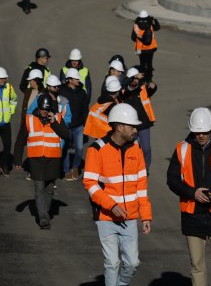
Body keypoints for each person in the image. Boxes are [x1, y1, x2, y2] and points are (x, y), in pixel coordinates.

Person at [166, 108, 211, 286]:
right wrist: (193, 193)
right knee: (197, 264)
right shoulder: (181, 149)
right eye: (197, 132)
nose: (201, 136)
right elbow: (172, 180)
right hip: (192, 214)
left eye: (204, 132)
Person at [82, 103, 152, 286]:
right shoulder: (96, 149)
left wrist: (146, 214)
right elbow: (89, 183)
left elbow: (142, 185)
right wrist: (111, 205)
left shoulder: (136, 149)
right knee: (112, 263)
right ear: (119, 127)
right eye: (132, 126)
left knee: (132, 262)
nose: (136, 130)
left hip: (129, 217)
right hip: (105, 217)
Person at [27, 93, 73, 229]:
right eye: (42, 109)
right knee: (39, 188)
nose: (44, 112)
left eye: (46, 110)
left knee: (49, 189)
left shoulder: (57, 118)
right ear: (39, 107)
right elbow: (21, 137)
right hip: (36, 159)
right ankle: (43, 217)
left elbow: (66, 135)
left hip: (52, 159)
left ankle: (44, 211)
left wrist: (54, 123)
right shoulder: (30, 119)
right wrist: (18, 158)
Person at [122, 66, 157, 170]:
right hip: (130, 126)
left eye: (137, 79)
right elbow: (123, 85)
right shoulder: (124, 92)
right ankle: (133, 168)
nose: (135, 81)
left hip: (144, 125)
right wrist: (133, 76)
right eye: (133, 78)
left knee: (146, 149)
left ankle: (145, 170)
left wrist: (153, 85)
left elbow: (153, 88)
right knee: (132, 149)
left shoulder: (143, 89)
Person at [14, 68, 46, 175]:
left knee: (34, 147)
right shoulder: (28, 91)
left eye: (31, 80)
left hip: (36, 124)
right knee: (19, 141)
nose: (29, 82)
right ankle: (18, 162)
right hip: (26, 122)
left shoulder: (44, 93)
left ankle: (33, 170)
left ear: (36, 80)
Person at [61, 68, 90, 180]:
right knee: (66, 149)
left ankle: (75, 167)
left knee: (79, 148)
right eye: (76, 78)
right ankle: (66, 170)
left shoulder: (82, 92)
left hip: (78, 126)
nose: (78, 80)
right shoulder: (61, 91)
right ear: (69, 80)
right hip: (66, 125)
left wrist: (85, 122)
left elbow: (85, 108)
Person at [86, 76, 125, 141]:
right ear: (117, 91)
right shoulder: (111, 105)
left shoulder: (103, 98)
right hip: (106, 132)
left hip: (98, 130)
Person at [131, 10, 161, 79]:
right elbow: (158, 27)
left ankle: (142, 78)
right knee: (149, 62)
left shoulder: (136, 25)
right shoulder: (150, 24)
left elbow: (133, 38)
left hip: (140, 49)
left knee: (142, 63)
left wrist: (139, 38)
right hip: (150, 48)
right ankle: (149, 77)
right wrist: (155, 20)